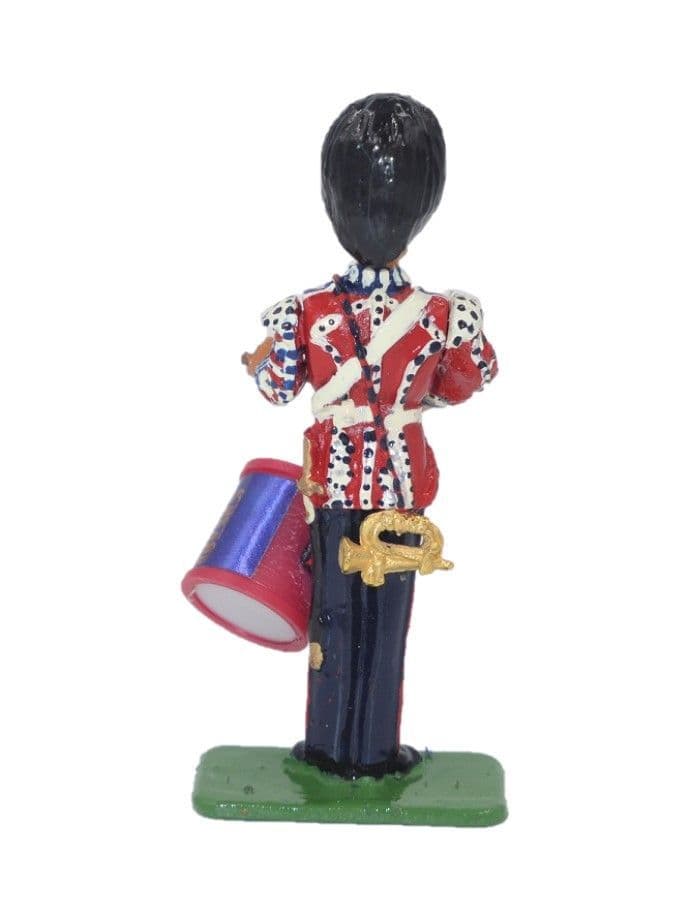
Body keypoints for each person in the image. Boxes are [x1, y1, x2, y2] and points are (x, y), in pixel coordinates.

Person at [242, 93, 497, 779]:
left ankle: (331, 747)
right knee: (386, 629)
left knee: (335, 620)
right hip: (402, 486)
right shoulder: (441, 314)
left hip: (334, 486)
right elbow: (464, 384)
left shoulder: (308, 310)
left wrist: (264, 351)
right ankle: (375, 749)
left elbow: (275, 387)